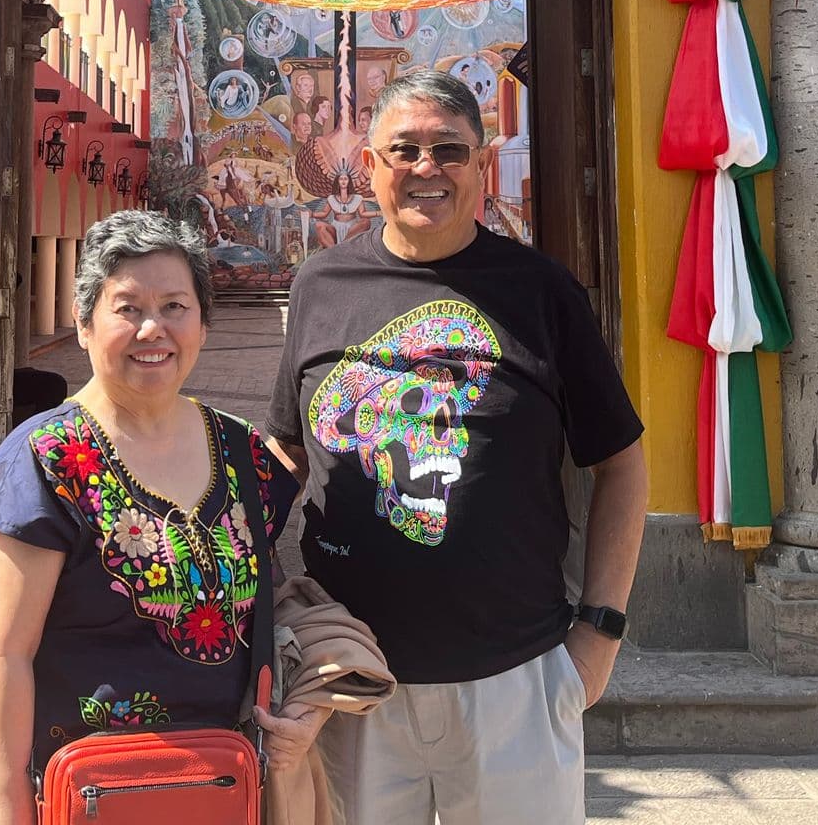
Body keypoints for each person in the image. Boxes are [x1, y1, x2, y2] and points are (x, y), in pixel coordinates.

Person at [266, 70, 649, 825]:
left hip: (516, 674)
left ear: (480, 165)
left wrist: (598, 634)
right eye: (403, 149)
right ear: (369, 165)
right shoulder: (319, 284)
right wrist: (275, 610)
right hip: (352, 679)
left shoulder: (542, 293)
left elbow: (622, 461)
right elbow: (287, 451)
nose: (425, 167)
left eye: (449, 149)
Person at [0, 210, 322, 824]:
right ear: (84, 324)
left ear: (203, 323)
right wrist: (8, 812)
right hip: (81, 795)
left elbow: (271, 609)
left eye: (175, 306)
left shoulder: (244, 454)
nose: (154, 328)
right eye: (127, 308)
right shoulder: (46, 461)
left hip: (218, 789)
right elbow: (3, 657)